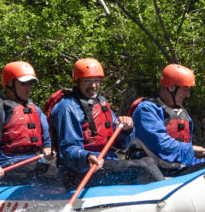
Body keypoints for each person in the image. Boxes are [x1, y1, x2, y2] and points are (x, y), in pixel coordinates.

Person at [47, 58, 140, 188]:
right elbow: (68, 149)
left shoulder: (101, 103)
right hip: (78, 172)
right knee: (142, 169)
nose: (93, 85)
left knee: (147, 163)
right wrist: (86, 157)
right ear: (77, 82)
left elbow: (122, 146)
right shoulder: (67, 107)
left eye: (97, 80)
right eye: (88, 81)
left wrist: (127, 130)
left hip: (106, 163)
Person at [0, 60, 55, 179]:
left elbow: (47, 141)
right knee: (52, 175)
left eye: (30, 83)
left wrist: (48, 149)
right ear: (9, 83)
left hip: (32, 162)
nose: (28, 88)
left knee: (59, 171)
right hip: (5, 165)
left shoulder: (35, 109)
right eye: (23, 84)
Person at [129, 63, 205, 175]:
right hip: (151, 172)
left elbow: (186, 152)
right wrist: (191, 151)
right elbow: (161, 145)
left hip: (176, 171)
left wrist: (200, 159)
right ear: (171, 87)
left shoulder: (181, 113)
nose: (188, 95)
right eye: (185, 89)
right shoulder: (146, 110)